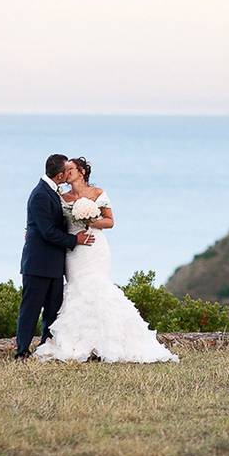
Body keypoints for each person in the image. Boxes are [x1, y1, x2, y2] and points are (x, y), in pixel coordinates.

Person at [33, 156, 179, 363]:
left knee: (98, 287)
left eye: (70, 169)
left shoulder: (98, 193)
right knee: (77, 289)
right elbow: (52, 223)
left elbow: (110, 221)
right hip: (74, 251)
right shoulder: (61, 197)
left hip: (95, 248)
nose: (66, 173)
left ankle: (109, 341)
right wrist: (33, 232)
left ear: (81, 171)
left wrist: (90, 220)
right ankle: (78, 341)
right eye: (65, 170)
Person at [15, 154, 95, 359]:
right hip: (39, 263)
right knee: (31, 310)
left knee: (53, 310)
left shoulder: (53, 191)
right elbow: (48, 231)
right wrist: (74, 239)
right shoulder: (41, 194)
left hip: (55, 263)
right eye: (66, 170)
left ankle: (46, 345)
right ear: (59, 175)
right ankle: (22, 351)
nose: (69, 173)